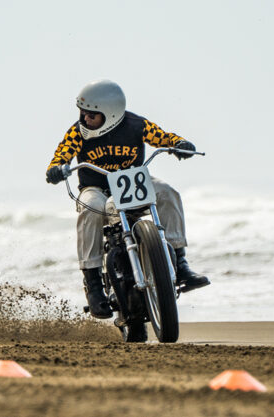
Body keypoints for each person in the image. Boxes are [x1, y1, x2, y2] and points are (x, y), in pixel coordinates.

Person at [45, 79, 210, 319]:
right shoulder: (77, 132)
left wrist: (179, 144)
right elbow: (61, 155)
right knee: (89, 208)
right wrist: (56, 168)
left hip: (132, 181)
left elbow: (162, 137)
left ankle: (180, 263)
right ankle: (93, 285)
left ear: (110, 113)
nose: (85, 119)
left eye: (92, 115)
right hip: (96, 187)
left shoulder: (136, 124)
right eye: (82, 113)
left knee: (167, 192)